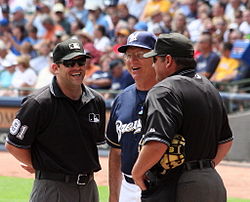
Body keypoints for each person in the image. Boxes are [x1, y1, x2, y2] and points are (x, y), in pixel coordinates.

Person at [132, 33, 233, 202]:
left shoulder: (164, 89)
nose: (154, 65)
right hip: (212, 182)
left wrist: (137, 172)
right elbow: (226, 141)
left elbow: (157, 142)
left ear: (168, 60)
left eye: (156, 59)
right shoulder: (210, 88)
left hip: (179, 185)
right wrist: (203, 168)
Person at [5, 38, 106, 202]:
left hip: (89, 188)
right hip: (53, 188)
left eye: (81, 62)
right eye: (69, 63)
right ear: (55, 68)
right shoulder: (38, 103)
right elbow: (13, 144)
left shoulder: (96, 101)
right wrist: (38, 164)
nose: (77, 68)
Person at [106, 31, 157, 202]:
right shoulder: (122, 99)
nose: (132, 60)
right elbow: (115, 152)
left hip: (162, 187)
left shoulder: (170, 96)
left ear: (156, 57)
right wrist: (114, 196)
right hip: (127, 188)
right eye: (128, 56)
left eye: (140, 54)